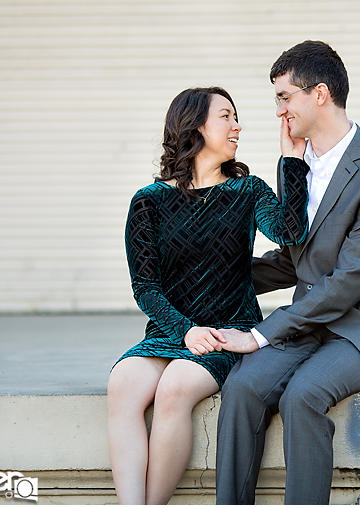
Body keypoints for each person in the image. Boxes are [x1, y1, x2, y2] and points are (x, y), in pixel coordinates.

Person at [215, 40, 360, 505]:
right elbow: (294, 258)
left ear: (319, 94)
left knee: (302, 396)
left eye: (284, 97)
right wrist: (207, 278)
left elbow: (348, 279)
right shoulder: (299, 164)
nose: (278, 111)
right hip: (315, 322)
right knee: (241, 387)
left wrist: (259, 335)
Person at [107, 87, 310, 504]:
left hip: (226, 331)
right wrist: (184, 331)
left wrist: (292, 161)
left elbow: (291, 232)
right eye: (226, 116)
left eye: (236, 117)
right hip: (171, 330)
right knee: (122, 383)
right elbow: (146, 288)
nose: (237, 125)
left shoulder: (247, 190)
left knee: (176, 387)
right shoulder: (148, 202)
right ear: (195, 126)